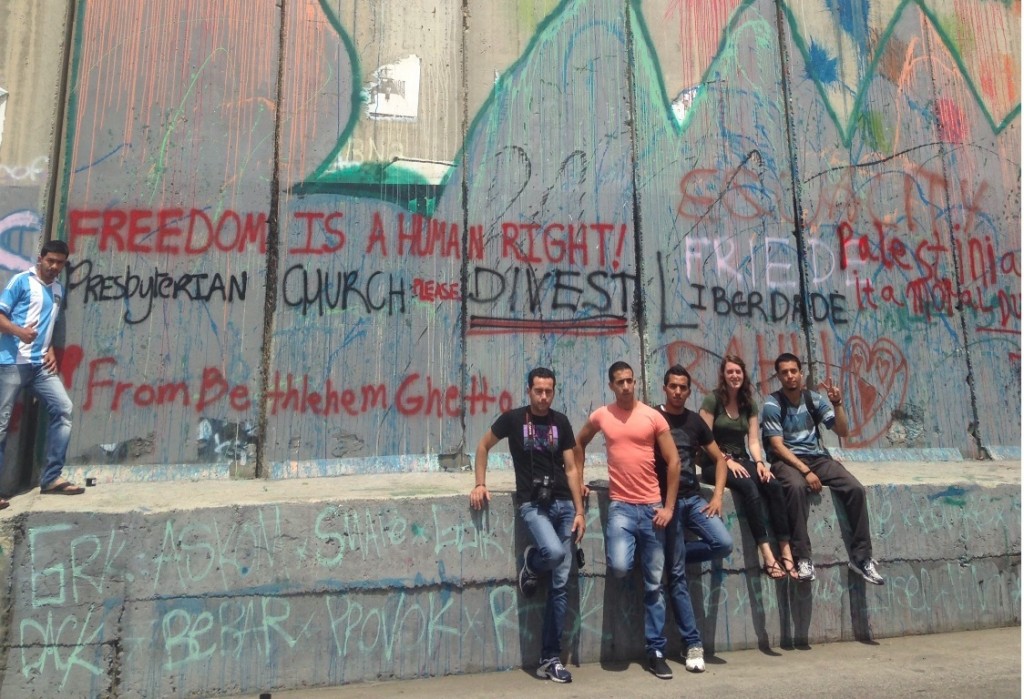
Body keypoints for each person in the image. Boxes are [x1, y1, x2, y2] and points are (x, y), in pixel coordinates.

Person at [470, 367, 584, 683]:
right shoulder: (512, 420)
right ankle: (532, 563)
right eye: (538, 391)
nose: (544, 397)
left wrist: (579, 511)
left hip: (563, 505)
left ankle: (550, 659)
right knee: (554, 554)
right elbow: (482, 447)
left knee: (560, 587)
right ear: (528, 390)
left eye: (549, 391)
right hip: (533, 505)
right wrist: (480, 483)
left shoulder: (560, 421)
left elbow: (572, 469)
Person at [574, 361, 680, 680]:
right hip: (620, 507)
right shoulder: (601, 415)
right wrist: (578, 479)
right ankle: (639, 560)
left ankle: (656, 651)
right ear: (611, 385)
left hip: (652, 509)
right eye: (620, 382)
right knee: (620, 567)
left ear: (636, 383)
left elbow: (674, 461)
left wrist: (669, 507)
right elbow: (578, 443)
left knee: (654, 585)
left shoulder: (652, 416)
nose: (626, 386)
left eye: (630, 381)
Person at [760, 353, 884, 585]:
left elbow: (842, 431)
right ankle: (803, 559)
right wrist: (805, 472)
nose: (790, 376)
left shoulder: (813, 399)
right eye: (784, 372)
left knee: (854, 489)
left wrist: (837, 404)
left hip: (817, 458)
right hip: (786, 460)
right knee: (796, 488)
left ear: (801, 373)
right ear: (778, 376)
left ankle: (862, 559)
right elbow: (776, 446)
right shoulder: (772, 404)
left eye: (793, 371)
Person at [654, 364, 733, 673]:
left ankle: (675, 555)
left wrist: (716, 496)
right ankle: (692, 644)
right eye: (672, 386)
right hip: (665, 504)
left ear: (688, 390)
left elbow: (720, 460)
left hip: (693, 499)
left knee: (723, 544)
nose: (677, 391)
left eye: (683, 387)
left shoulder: (695, 421)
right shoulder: (653, 418)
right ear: (665, 388)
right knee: (676, 577)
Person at [699, 355, 795, 579]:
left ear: (744, 375)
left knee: (772, 485)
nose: (734, 376)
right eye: (730, 371)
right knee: (749, 488)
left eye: (738, 372)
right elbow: (704, 439)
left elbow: (753, 440)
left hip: (741, 459)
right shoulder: (712, 400)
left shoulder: (748, 403)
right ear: (724, 375)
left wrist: (760, 463)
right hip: (714, 463)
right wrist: (725, 460)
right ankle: (767, 555)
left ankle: (785, 549)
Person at [0, 239, 81, 505]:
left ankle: (51, 478)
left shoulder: (58, 289)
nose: (55, 267)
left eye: (60, 263)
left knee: (64, 408)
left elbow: (51, 323)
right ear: (40, 258)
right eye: (51, 261)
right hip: (11, 363)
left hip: (39, 368)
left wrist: (49, 349)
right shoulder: (21, 282)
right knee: (1, 424)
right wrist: (20, 332)